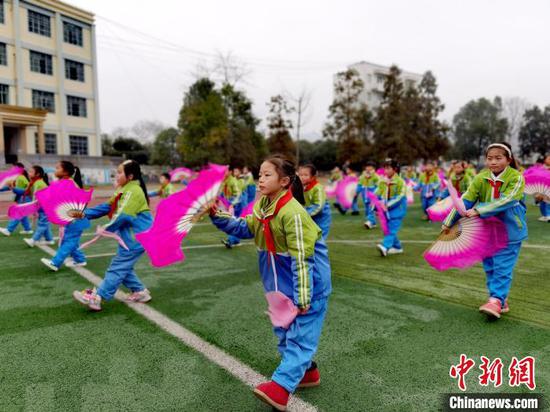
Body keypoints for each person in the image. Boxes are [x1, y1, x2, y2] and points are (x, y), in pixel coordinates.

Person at [210, 156, 331, 411]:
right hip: (277, 283)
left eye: (267, 175)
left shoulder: (293, 213)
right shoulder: (263, 205)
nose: (260, 179)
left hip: (308, 284)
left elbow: (302, 258)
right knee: (284, 331)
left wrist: (303, 297)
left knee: (299, 337)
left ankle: (281, 387)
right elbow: (246, 227)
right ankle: (308, 373)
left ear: (285, 181)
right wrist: (218, 216)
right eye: (260, 174)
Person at [443, 142, 526, 319]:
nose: (493, 162)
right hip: (487, 231)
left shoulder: (516, 177)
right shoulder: (481, 178)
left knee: (502, 267)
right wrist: (450, 220)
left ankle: (495, 300)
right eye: (490, 158)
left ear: (508, 159)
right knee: (490, 267)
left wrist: (480, 210)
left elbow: (508, 200)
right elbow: (466, 199)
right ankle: (499, 300)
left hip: (509, 231)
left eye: (498, 158)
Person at [72, 160, 153, 312]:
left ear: (130, 176)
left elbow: (124, 215)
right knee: (123, 267)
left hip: (136, 238)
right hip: (131, 238)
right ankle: (140, 292)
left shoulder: (133, 191)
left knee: (117, 267)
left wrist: (106, 228)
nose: (116, 175)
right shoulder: (124, 189)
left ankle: (98, 297)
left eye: (119, 172)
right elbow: (107, 207)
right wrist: (83, 214)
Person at [41, 161, 90, 270]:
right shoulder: (65, 182)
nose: (55, 170)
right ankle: (80, 260)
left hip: (75, 218)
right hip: (73, 217)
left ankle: (55, 263)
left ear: (66, 172)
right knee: (71, 240)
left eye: (58, 168)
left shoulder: (68, 183)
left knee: (69, 240)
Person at [375, 159, 407, 257]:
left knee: (391, 229)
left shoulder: (400, 182)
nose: (386, 171)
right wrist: (376, 207)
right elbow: (377, 193)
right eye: (385, 168)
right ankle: (397, 247)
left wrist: (388, 205)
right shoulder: (382, 181)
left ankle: (385, 247)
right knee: (387, 229)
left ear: (395, 169)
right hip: (385, 211)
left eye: (388, 168)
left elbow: (400, 196)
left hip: (397, 210)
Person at [298, 164, 332, 240]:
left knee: (320, 238)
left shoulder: (317, 188)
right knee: (310, 237)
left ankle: (321, 251)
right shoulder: (301, 187)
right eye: (300, 175)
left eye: (305, 175)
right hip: (310, 215)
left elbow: (319, 206)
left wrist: (306, 214)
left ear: (313, 177)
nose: (302, 177)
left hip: (322, 216)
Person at [0, 163, 33, 236]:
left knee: (18, 213)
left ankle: (9, 230)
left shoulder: (21, 177)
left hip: (25, 198)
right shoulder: (17, 178)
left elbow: (27, 189)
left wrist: (13, 188)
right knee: (22, 214)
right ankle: (28, 229)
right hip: (21, 198)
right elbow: (10, 187)